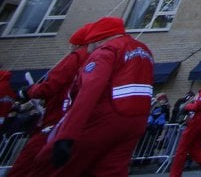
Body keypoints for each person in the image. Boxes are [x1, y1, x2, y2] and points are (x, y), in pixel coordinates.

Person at [38, 16, 154, 175]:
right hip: (136, 122)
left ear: (97, 40)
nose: (88, 51)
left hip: (104, 118)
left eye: (89, 46)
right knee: (111, 170)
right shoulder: (143, 50)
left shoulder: (107, 50)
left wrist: (67, 134)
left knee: (57, 167)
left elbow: (89, 92)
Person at [7, 23, 91, 177]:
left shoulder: (77, 57)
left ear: (76, 43)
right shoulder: (100, 57)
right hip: (78, 120)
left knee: (30, 162)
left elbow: (51, 85)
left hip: (57, 118)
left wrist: (29, 91)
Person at [169, 65, 201, 177]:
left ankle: (175, 174)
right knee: (194, 146)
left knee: (182, 149)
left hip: (198, 121)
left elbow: (199, 105)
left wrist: (186, 107)